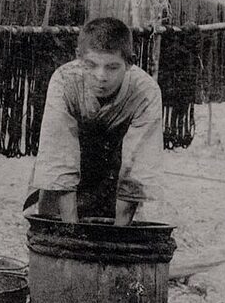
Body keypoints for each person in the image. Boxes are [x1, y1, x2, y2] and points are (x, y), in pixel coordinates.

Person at [25, 17, 164, 226]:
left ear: (129, 62)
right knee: (52, 232)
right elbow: (59, 156)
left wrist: (118, 234)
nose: (101, 76)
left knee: (113, 236)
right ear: (79, 58)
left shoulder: (146, 91)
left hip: (114, 174)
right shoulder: (64, 80)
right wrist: (72, 232)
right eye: (91, 65)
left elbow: (137, 167)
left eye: (112, 67)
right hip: (66, 179)